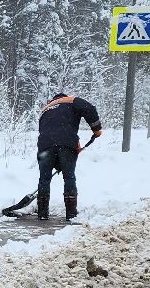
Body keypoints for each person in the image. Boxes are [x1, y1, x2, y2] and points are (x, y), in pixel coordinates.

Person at [35, 92, 103, 221]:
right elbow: (89, 108)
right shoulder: (71, 100)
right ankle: (71, 214)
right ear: (64, 97)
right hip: (66, 143)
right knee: (69, 176)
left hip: (44, 146)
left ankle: (42, 213)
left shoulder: (46, 108)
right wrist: (96, 129)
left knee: (44, 179)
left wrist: (55, 160)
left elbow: (45, 129)